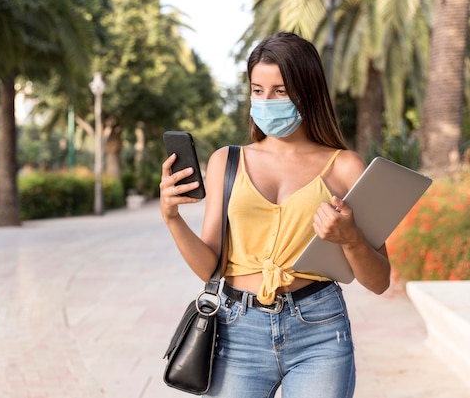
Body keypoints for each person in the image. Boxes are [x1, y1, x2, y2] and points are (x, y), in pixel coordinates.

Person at [159, 32, 391, 398]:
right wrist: (172, 217)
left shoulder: (345, 167)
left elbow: (379, 280)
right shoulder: (226, 162)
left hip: (319, 329)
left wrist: (350, 238)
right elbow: (209, 267)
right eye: (257, 90)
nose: (266, 101)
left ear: (307, 92)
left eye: (280, 91)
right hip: (236, 330)